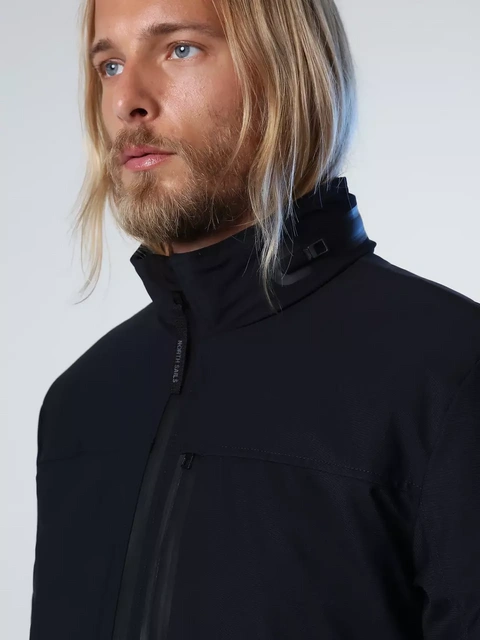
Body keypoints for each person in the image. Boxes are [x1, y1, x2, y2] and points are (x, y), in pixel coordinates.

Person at [29, 0, 480, 638]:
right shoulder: (81, 402)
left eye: (180, 49)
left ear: (285, 69)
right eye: (109, 65)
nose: (129, 100)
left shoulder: (449, 371)